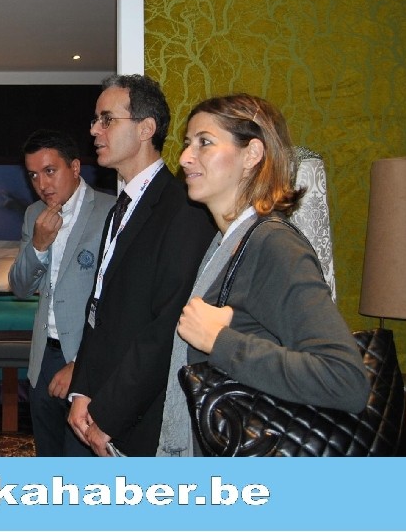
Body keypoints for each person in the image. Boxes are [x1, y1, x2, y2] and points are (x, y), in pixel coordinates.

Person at [157, 94, 369, 456]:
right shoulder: (224, 245)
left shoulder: (273, 245)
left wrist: (220, 341)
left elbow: (345, 380)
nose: (185, 157)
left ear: (252, 154)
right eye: (188, 143)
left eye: (204, 142)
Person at [67, 74, 215, 456]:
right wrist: (82, 390)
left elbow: (165, 329)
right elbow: (99, 311)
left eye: (106, 119)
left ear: (146, 129)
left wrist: (110, 415)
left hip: (142, 417)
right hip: (100, 400)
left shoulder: (183, 209)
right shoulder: (120, 208)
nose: (94, 130)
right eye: (95, 120)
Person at [8, 129, 113, 456]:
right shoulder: (33, 214)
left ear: (75, 167)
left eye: (50, 171)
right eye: (33, 175)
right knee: (48, 457)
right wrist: (38, 246)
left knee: (81, 462)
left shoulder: (110, 210)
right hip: (43, 359)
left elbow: (115, 301)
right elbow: (20, 287)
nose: (42, 184)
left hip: (88, 358)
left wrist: (81, 365)